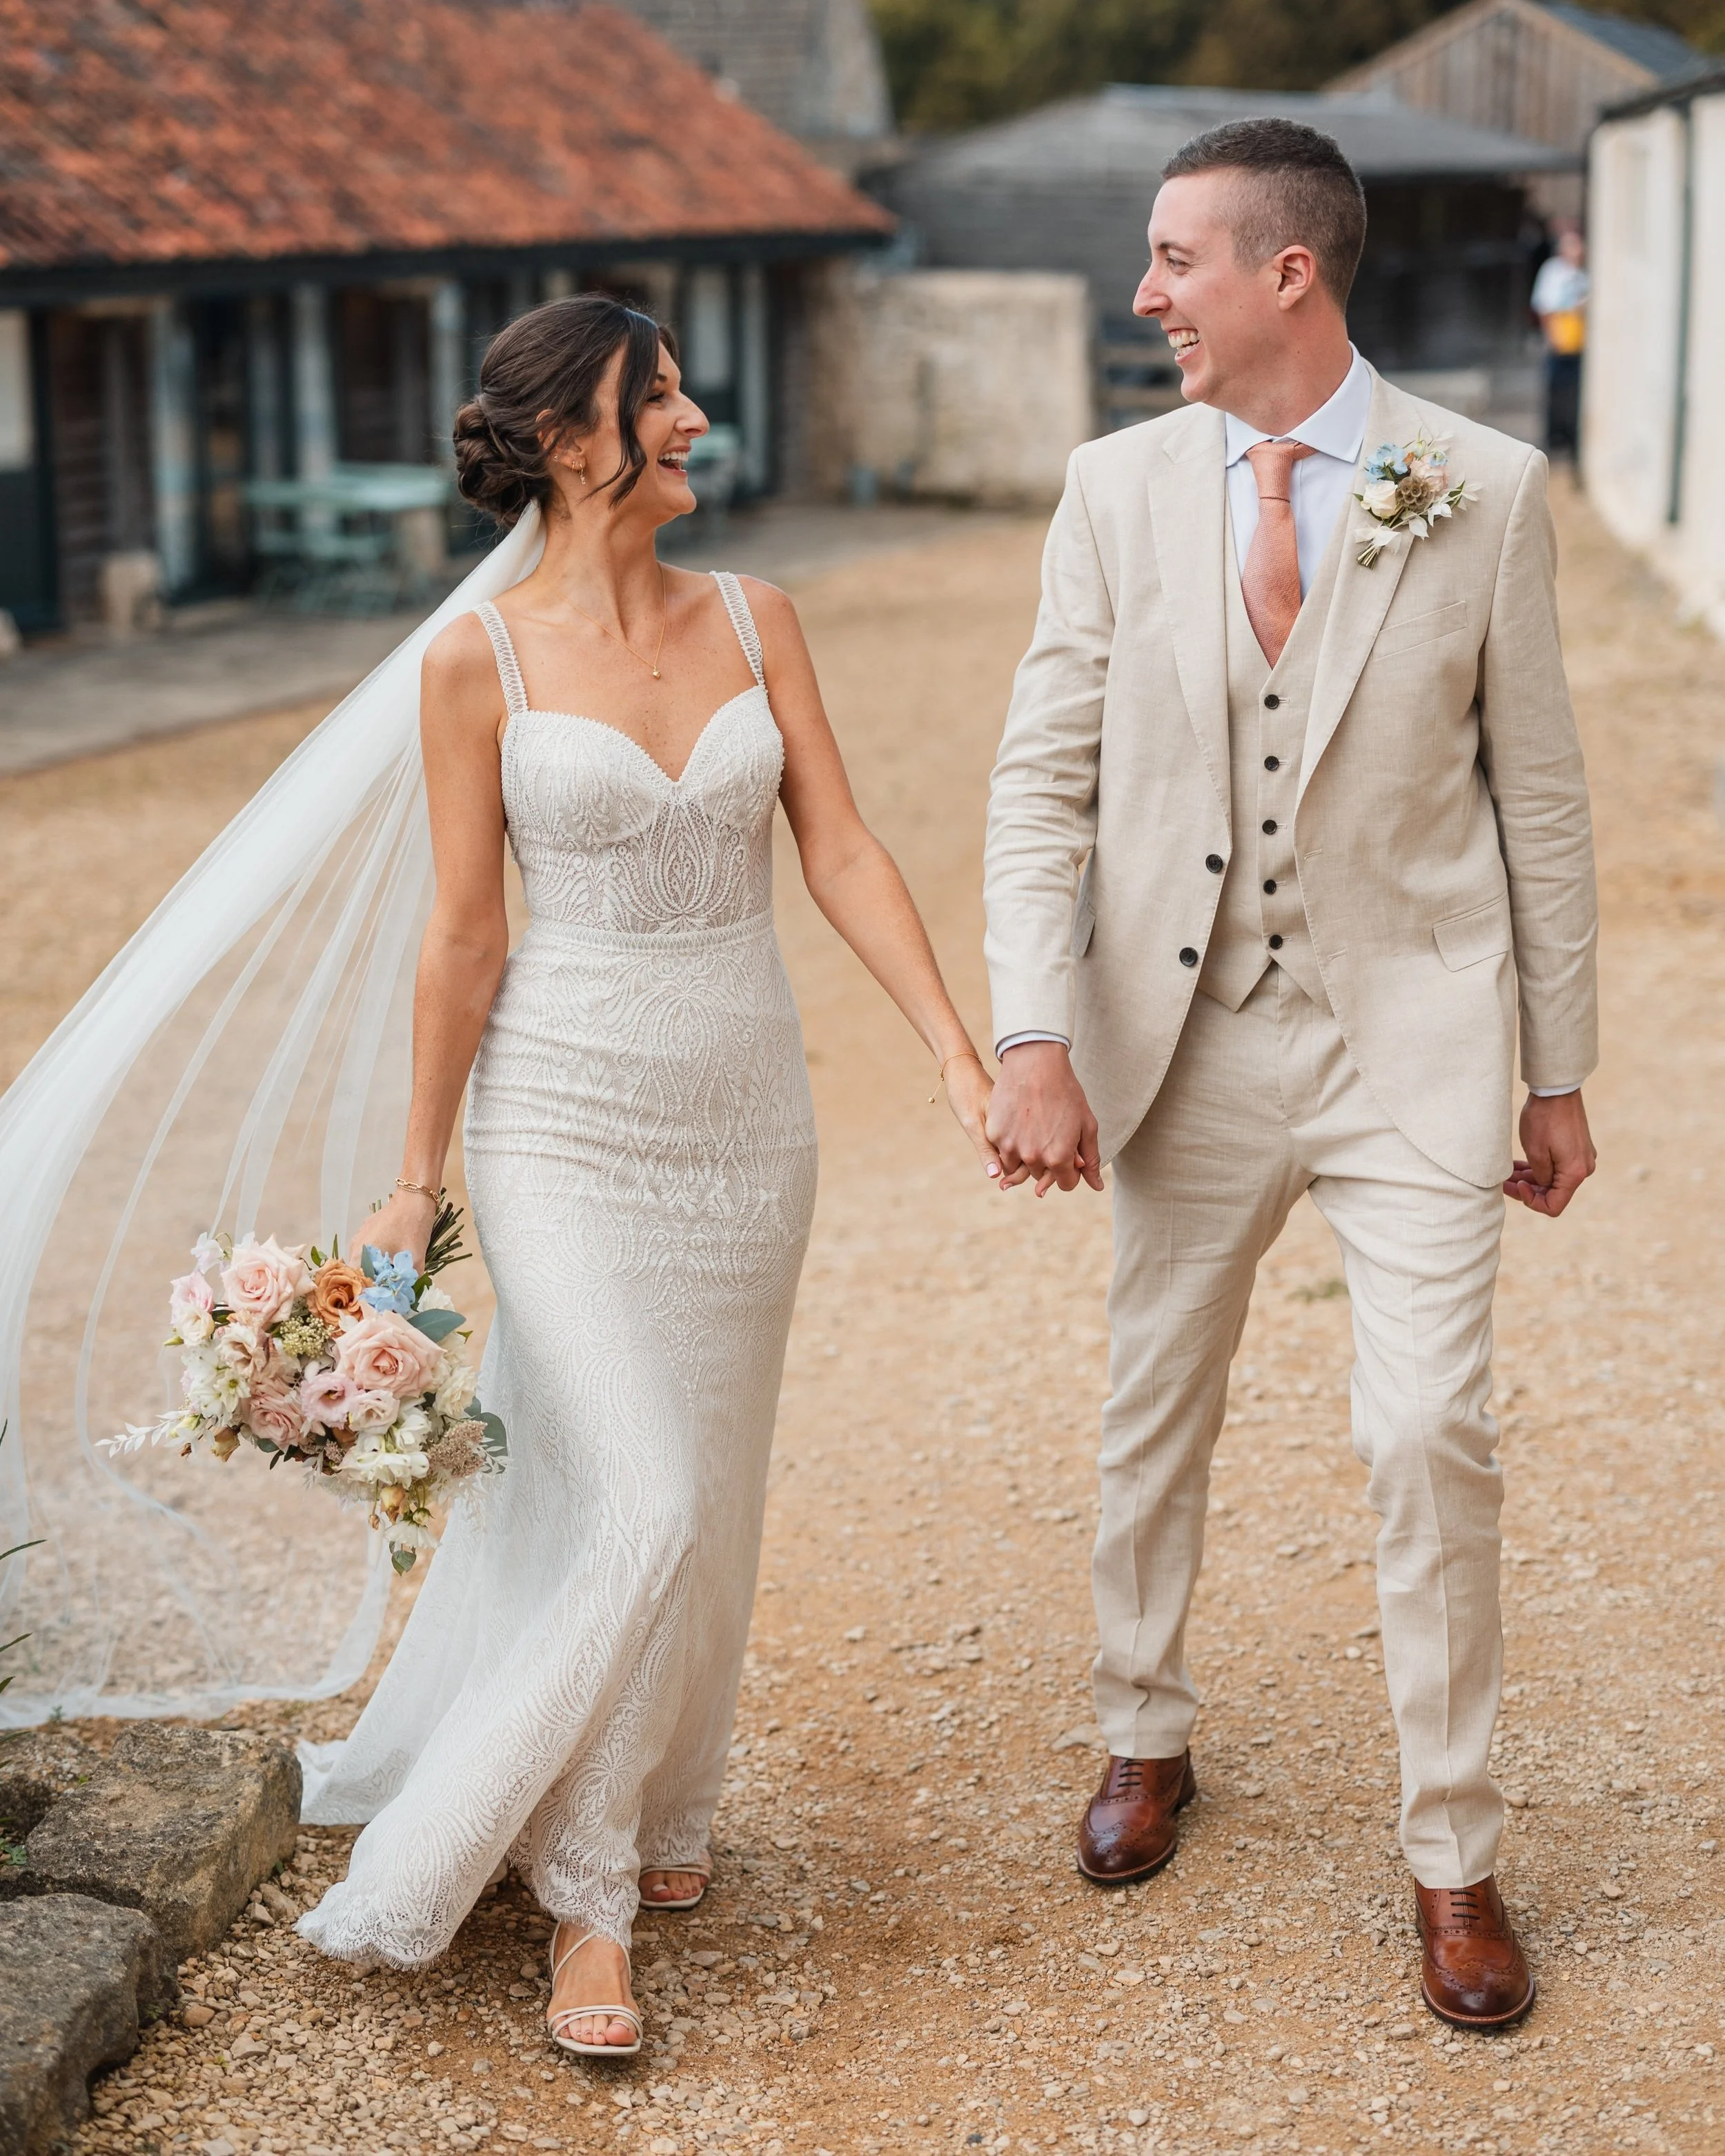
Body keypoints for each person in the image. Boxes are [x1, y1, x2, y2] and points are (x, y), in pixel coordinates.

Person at [292, 296, 998, 2050]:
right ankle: (575, 1898)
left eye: (685, 382)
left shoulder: (761, 620)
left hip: (748, 1118)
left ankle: (664, 1802)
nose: (695, 414)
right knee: (647, 1494)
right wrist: (409, 1177)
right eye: (658, 393)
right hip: (565, 1118)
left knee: (709, 1471)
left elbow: (837, 842)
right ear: (570, 437)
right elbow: (463, 937)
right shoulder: (483, 662)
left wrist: (954, 1049)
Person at [983, 120, 1597, 2032]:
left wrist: (1554, 1068)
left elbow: (1543, 800)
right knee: (1151, 1397)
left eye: (1174, 259)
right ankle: (1142, 1724)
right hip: (1180, 1036)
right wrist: (1031, 1032)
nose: (1146, 293)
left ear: (1285, 273)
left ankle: (1453, 1853)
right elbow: (1041, 780)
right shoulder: (1107, 488)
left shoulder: (1476, 488)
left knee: (1430, 1430)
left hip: (1412, 1033)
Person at [1531, 224, 1588, 460]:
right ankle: (1556, 436)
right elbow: (1544, 305)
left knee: (1575, 391)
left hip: (1578, 341)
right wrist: (1551, 334)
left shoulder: (1585, 274)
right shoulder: (1554, 271)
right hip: (1560, 339)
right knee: (1557, 389)